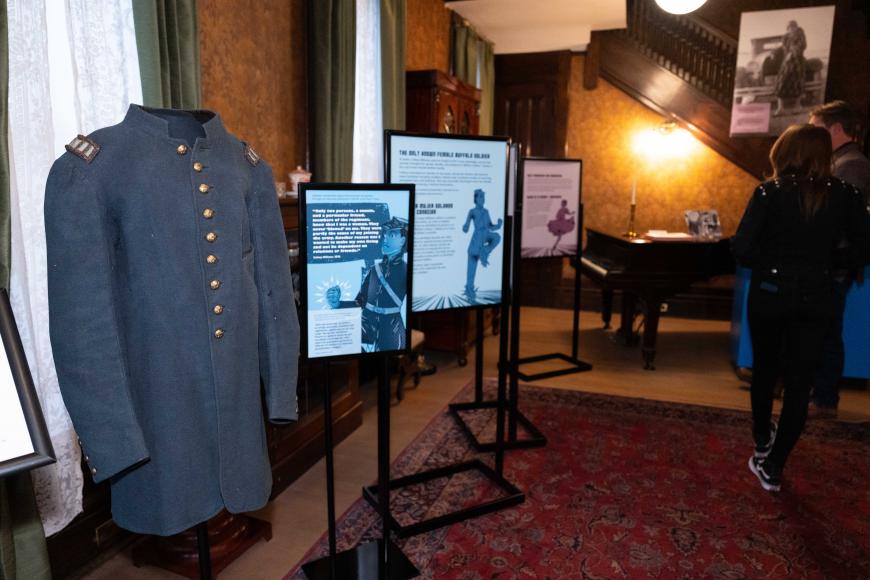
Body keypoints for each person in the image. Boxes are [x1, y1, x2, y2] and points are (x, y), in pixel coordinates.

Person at [733, 124, 870, 492]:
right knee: (799, 383)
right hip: (817, 295)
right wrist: (830, 262)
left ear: (785, 152)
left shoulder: (769, 192)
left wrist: (773, 260)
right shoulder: (845, 194)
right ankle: (774, 467)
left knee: (764, 371)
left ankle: (763, 441)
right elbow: (864, 247)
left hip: (770, 291)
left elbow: (742, 248)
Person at [809, 101, 870, 418]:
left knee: (828, 331)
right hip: (826, 261)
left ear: (834, 128)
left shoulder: (852, 164)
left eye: (816, 127)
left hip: (835, 264)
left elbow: (841, 219)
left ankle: (825, 399)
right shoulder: (837, 161)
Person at [328, 217, 408, 352]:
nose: (385, 239)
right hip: (366, 322)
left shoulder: (406, 271)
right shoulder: (374, 270)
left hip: (391, 327)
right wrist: (338, 304)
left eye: (392, 235)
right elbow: (360, 301)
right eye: (385, 234)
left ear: (402, 240)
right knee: (336, 338)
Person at [462, 188, 503, 301]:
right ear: (475, 198)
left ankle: (485, 250)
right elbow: (466, 225)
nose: (483, 199)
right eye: (480, 197)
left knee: (497, 237)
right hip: (476, 242)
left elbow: (490, 226)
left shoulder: (486, 211)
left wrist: (498, 225)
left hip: (486, 235)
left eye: (483, 197)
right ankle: (470, 291)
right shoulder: (472, 211)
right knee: (471, 272)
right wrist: (465, 227)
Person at [773, 20, 807, 116]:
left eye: (793, 27)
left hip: (797, 62)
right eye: (789, 27)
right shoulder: (785, 37)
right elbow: (783, 48)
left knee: (797, 83)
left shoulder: (800, 34)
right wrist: (773, 52)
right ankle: (780, 108)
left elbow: (802, 45)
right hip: (787, 63)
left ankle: (798, 107)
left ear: (796, 27)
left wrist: (792, 53)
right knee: (781, 82)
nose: (791, 29)